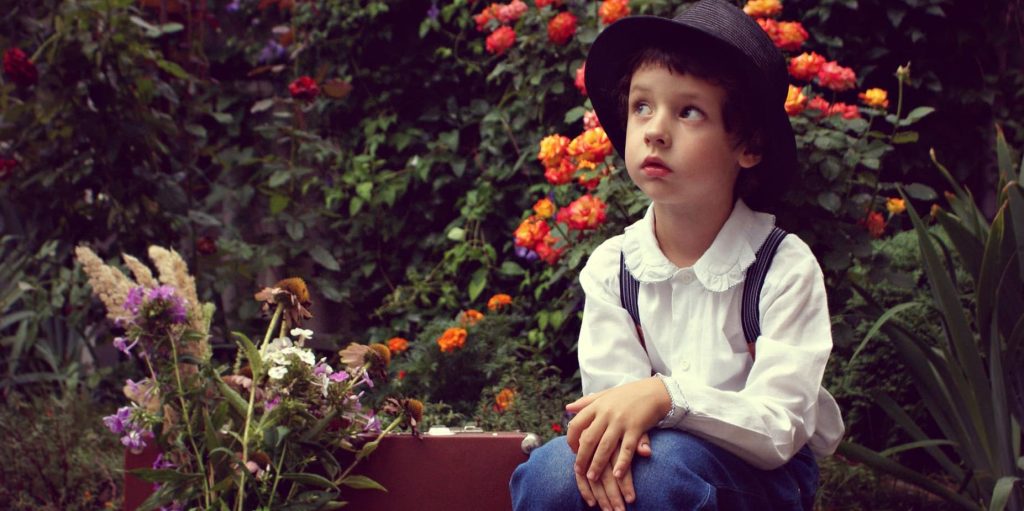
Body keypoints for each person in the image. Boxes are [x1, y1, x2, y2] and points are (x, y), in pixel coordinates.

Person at [509, 1, 845, 510]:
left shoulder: (781, 267)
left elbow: (779, 428)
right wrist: (623, 428)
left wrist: (669, 397)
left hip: (763, 477)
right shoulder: (613, 268)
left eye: (688, 112)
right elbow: (616, 416)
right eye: (642, 106)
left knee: (664, 474)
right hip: (648, 460)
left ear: (749, 145)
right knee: (549, 472)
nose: (655, 130)